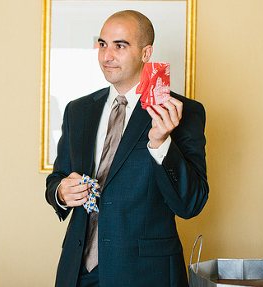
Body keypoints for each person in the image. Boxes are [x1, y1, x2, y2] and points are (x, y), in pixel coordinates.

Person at [46, 10, 208, 287]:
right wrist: (61, 192)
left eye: (120, 46)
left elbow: (190, 203)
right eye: (102, 44)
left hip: (145, 274)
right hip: (77, 271)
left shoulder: (182, 112)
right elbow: (56, 179)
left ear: (146, 54)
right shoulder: (78, 110)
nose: (107, 56)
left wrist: (161, 143)